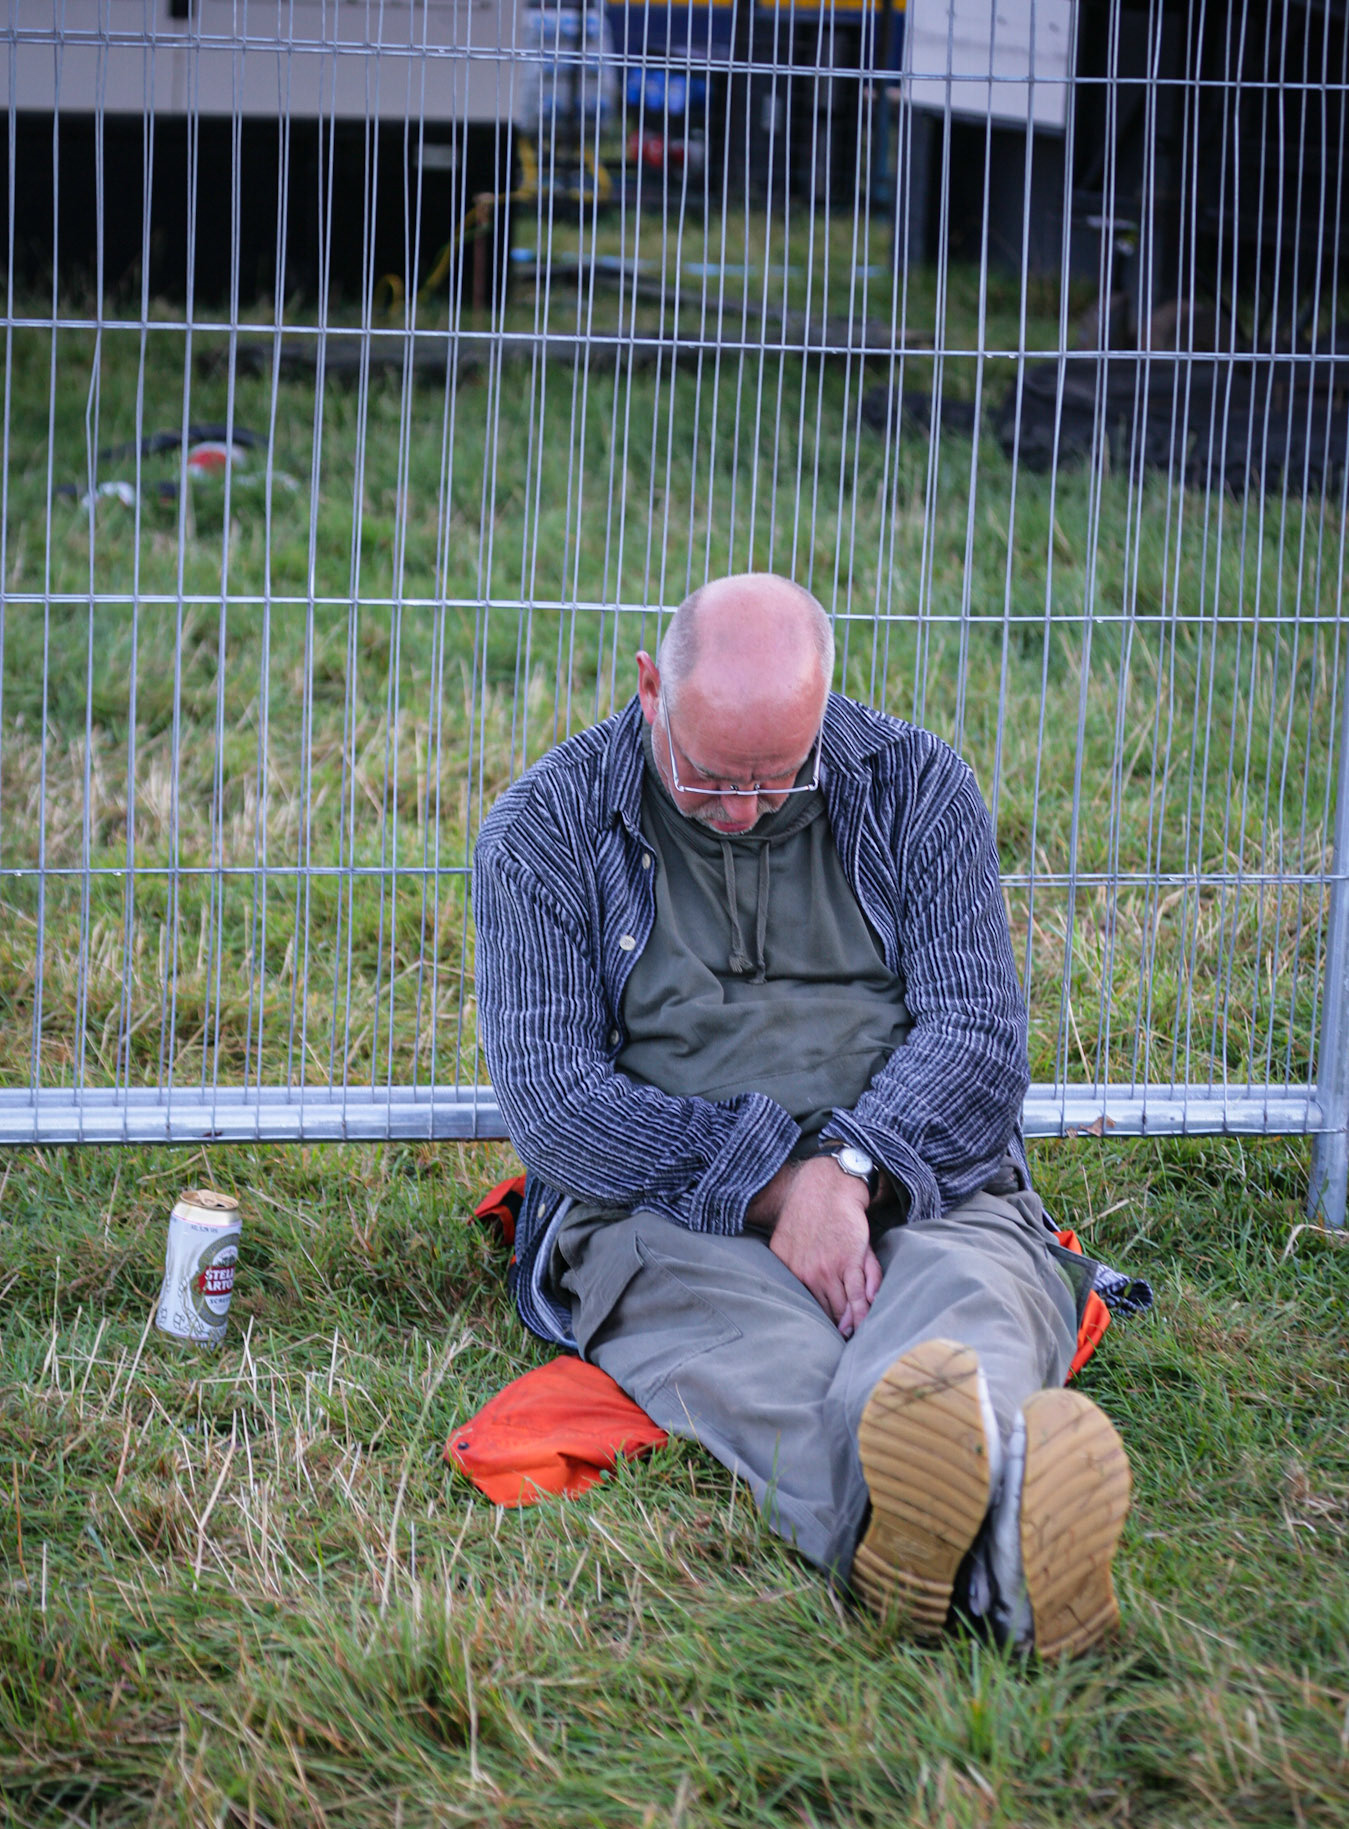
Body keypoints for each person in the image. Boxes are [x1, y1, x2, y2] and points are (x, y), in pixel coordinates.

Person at [474, 573, 1134, 1659]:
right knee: (763, 1354)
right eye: (710, 778)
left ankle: (936, 1507)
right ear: (650, 689)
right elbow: (560, 1107)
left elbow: (976, 1040)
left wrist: (853, 1169)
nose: (742, 808)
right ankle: (999, 1541)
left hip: (921, 1172)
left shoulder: (917, 786)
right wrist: (779, 1181)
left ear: (824, 711)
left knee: (965, 1298)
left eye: (777, 779)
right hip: (673, 1211)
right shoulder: (546, 826)